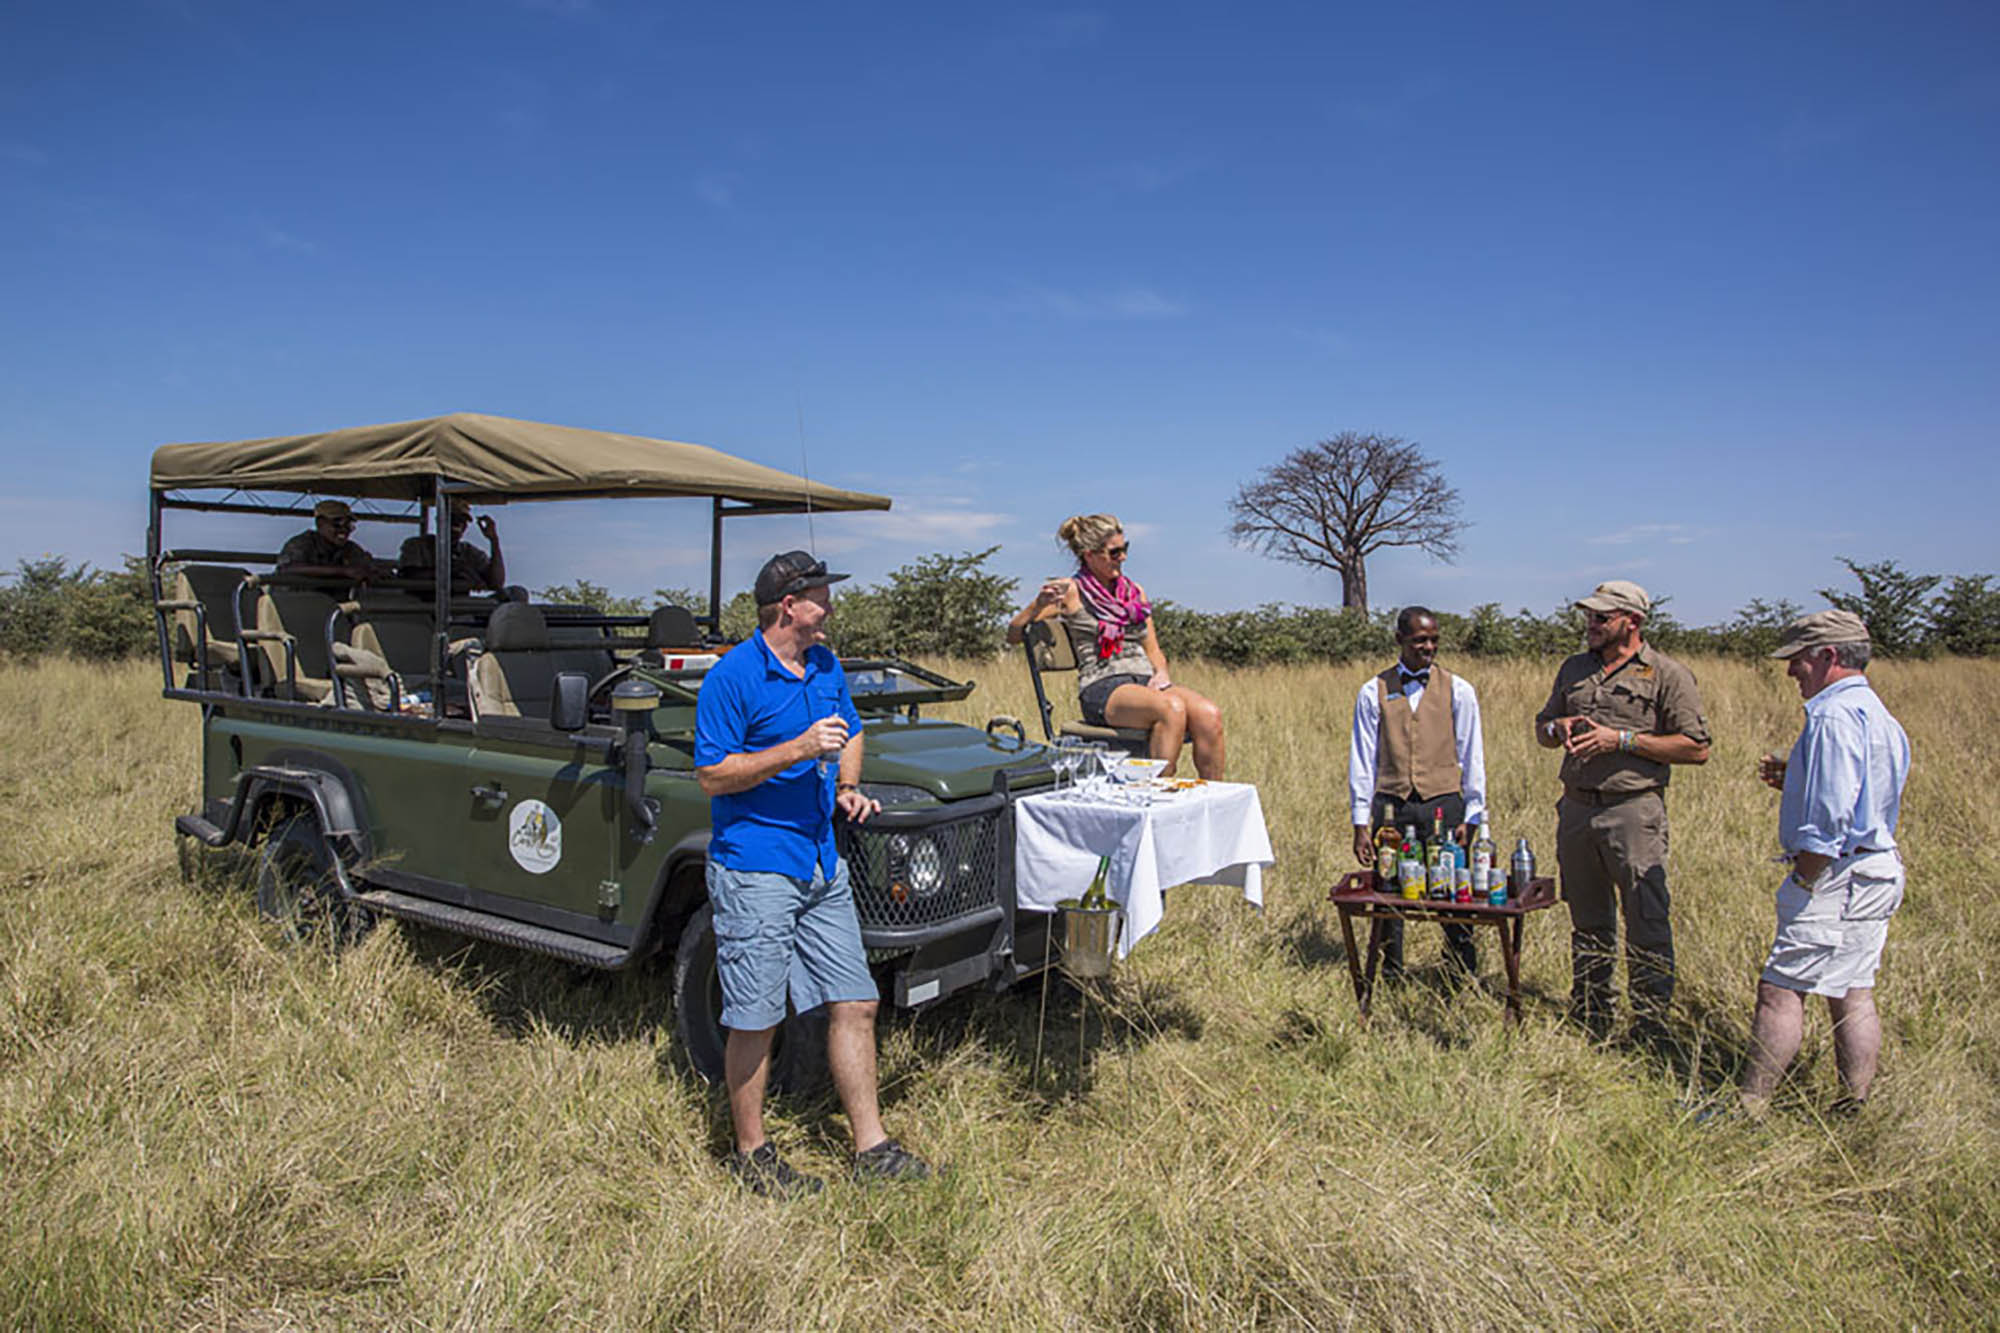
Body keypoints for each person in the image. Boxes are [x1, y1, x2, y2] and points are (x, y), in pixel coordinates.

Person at [693, 549, 930, 1197]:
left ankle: (871, 1147)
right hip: (756, 868)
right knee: (757, 1012)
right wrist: (795, 749)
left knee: (855, 1001)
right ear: (787, 605)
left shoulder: (824, 664)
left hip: (822, 863)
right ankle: (750, 1152)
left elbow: (849, 728)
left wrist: (847, 785)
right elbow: (713, 774)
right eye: (821, 597)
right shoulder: (733, 676)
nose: (830, 607)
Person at [1736, 610, 1910, 1117]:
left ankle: (1749, 1107)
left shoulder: (1832, 716)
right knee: (1852, 991)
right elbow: (1869, 791)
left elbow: (1831, 815)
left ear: (1829, 657)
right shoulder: (1878, 713)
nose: (1792, 670)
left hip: (1836, 874)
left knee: (1780, 991)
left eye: (1799, 658)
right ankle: (1851, 1104)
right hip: (1875, 866)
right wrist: (1798, 776)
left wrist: (1804, 876)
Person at [1534, 579, 1710, 1045]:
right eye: (1589, 616)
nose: (1590, 625)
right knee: (1588, 920)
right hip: (1576, 809)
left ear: (1631, 621)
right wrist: (1558, 727)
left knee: (1645, 920)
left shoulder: (1667, 675)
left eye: (1601, 617)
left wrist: (1623, 740)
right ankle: (1592, 1015)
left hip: (1632, 811)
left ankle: (1651, 1026)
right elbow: (1542, 729)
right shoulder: (1574, 668)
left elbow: (1695, 748)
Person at [1005, 513, 1226, 779]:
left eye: (1125, 549)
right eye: (1115, 552)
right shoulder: (1071, 591)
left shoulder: (1134, 594)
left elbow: (1153, 649)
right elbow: (1015, 634)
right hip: (1104, 685)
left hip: (1145, 683)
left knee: (1208, 714)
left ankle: (1213, 801)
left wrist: (1161, 674)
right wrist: (1038, 605)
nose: (1123, 557)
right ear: (1089, 555)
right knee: (1172, 709)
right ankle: (1160, 799)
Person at [1347, 606, 1487, 978]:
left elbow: (1472, 754)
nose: (1428, 647)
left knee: (1453, 887)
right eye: (1420, 640)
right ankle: (1391, 969)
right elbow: (1363, 760)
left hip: (1443, 801)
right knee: (1391, 888)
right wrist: (1361, 822)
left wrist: (1474, 814)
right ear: (1400, 640)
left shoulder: (1458, 689)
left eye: (1434, 640)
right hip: (1391, 804)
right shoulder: (1372, 690)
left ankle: (1459, 970)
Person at [398, 499, 508, 594]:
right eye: (452, 519)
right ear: (439, 521)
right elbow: (409, 575)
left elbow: (496, 583)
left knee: (516, 593)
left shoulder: (469, 552)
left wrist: (494, 541)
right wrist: (455, 572)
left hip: (461, 606)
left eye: (462, 521)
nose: (457, 524)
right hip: (423, 606)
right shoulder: (416, 545)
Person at [276, 499, 388, 582]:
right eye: (337, 524)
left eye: (348, 525)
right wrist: (343, 571)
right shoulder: (302, 543)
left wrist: (374, 572)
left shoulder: (351, 548)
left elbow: (369, 567)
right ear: (320, 523)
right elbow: (287, 568)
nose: (344, 530)